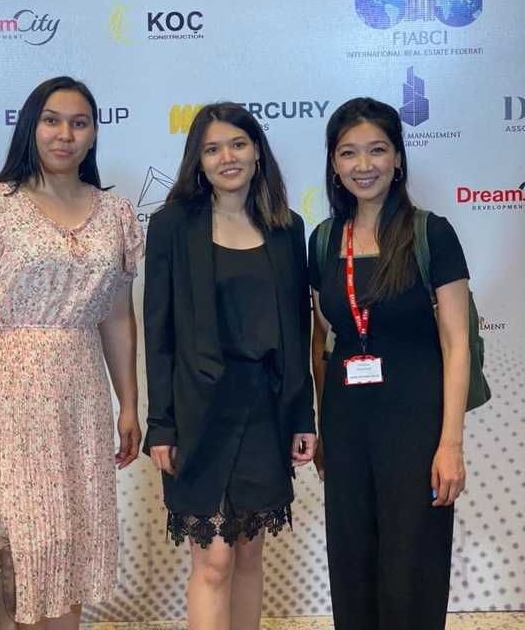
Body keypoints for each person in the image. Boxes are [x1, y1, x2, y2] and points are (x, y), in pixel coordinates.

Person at [0, 76, 144, 630]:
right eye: (52, 120)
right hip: (2, 401)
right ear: (30, 126)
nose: (65, 134)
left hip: (80, 399)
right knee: (18, 548)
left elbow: (117, 318)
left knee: (69, 542)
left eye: (79, 123)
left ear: (94, 134)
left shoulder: (116, 213)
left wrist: (128, 404)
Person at [143, 102, 316, 630]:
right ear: (198, 161)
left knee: (247, 552)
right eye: (213, 149)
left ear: (257, 151)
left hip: (266, 408)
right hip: (199, 412)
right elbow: (159, 333)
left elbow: (298, 329)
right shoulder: (172, 225)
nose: (227, 157)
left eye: (238, 144)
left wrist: (303, 416)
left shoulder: (287, 228)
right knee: (213, 561)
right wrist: (161, 424)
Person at [308, 97, 470, 630]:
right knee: (352, 565)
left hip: (416, 426)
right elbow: (321, 341)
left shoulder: (431, 233)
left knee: (411, 568)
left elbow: (456, 343)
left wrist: (450, 444)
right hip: (346, 426)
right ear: (334, 163)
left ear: (398, 158)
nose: (364, 165)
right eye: (348, 152)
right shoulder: (324, 240)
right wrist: (321, 427)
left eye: (377, 150)